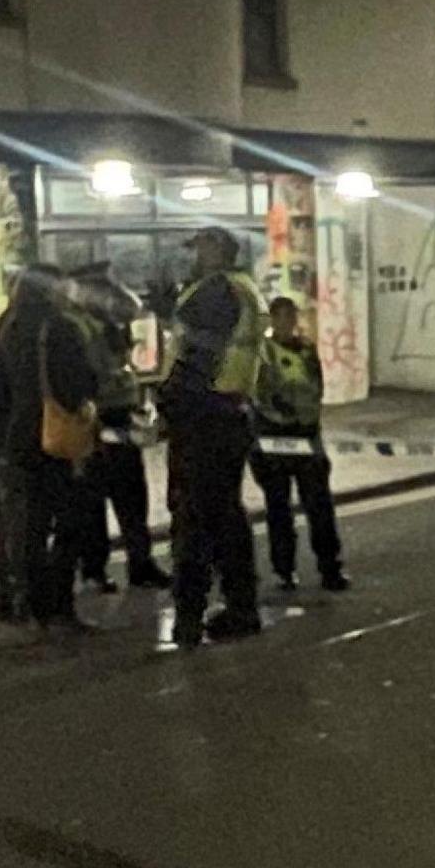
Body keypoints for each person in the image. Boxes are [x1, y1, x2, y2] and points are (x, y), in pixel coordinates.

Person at [0, 264, 98, 631]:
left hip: (8, 443)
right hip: (50, 441)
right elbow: (79, 384)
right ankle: (58, 605)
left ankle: (21, 600)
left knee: (23, 527)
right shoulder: (58, 328)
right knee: (71, 524)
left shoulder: (3, 327)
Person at [158, 226, 268, 646]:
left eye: (201, 247)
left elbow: (200, 352)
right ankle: (241, 607)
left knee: (194, 517)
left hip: (204, 413)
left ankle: (190, 614)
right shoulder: (241, 288)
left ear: (219, 249)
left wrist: (171, 399)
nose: (195, 255)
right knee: (225, 516)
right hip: (228, 411)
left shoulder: (219, 291)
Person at [64, 263, 171, 592]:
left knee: (131, 496)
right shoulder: (77, 325)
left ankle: (140, 564)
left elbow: (133, 308)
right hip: (97, 417)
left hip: (120, 416)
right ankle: (95, 570)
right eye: (103, 288)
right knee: (92, 501)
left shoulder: (105, 321)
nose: (111, 295)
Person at [248, 294, 345, 592]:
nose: (288, 323)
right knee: (279, 509)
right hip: (275, 439)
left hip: (305, 434)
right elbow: (258, 395)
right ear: (272, 320)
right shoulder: (262, 353)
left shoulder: (306, 349)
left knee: (319, 507)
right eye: (282, 317)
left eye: (291, 317)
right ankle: (284, 571)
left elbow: (316, 386)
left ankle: (330, 568)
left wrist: (309, 420)